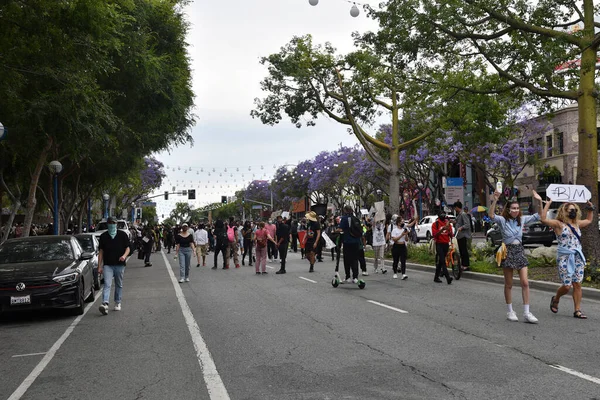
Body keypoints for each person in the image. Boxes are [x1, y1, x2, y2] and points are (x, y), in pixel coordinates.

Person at [537, 191, 594, 319]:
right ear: (564, 211)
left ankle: (577, 310)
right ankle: (556, 298)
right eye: (570, 210)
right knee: (567, 286)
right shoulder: (559, 224)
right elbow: (543, 219)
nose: (572, 212)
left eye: (574, 210)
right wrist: (548, 204)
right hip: (565, 257)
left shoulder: (577, 224)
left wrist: (590, 208)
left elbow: (589, 220)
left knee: (577, 284)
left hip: (577, 257)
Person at [489, 191, 539, 323]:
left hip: (519, 251)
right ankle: (510, 311)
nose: (516, 210)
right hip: (508, 251)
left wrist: (539, 201)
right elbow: (491, 215)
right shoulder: (503, 220)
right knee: (509, 284)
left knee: (525, 282)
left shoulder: (521, 220)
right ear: (508, 209)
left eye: (517, 208)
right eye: (513, 208)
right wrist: (494, 200)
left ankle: (527, 312)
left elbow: (538, 216)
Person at [98, 216, 131, 315]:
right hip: (108, 264)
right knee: (107, 284)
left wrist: (124, 256)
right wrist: (99, 266)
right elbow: (101, 252)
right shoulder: (103, 236)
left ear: (116, 224)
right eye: (110, 223)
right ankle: (105, 303)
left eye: (114, 223)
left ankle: (117, 302)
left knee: (118, 284)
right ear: (107, 224)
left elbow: (128, 248)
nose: (112, 225)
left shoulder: (123, 235)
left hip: (119, 264)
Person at [338, 205, 361, 283]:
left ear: (345, 210)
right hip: (356, 242)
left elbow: (340, 229)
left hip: (347, 241)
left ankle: (348, 276)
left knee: (347, 259)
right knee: (355, 259)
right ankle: (355, 277)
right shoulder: (356, 218)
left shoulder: (344, 218)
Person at [432, 212, 454, 285]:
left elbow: (451, 235)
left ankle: (436, 277)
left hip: (446, 244)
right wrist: (442, 229)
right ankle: (448, 278)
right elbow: (435, 235)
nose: (443, 216)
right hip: (439, 244)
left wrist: (449, 230)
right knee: (443, 261)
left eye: (444, 214)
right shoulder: (435, 224)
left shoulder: (448, 224)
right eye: (441, 214)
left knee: (441, 262)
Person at [454, 201, 472, 272]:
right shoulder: (459, 215)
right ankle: (462, 265)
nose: (454, 209)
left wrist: (461, 228)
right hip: (459, 236)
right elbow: (457, 222)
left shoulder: (463, 214)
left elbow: (467, 224)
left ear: (457, 207)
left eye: (455, 208)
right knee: (461, 251)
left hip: (463, 235)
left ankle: (466, 265)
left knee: (464, 251)